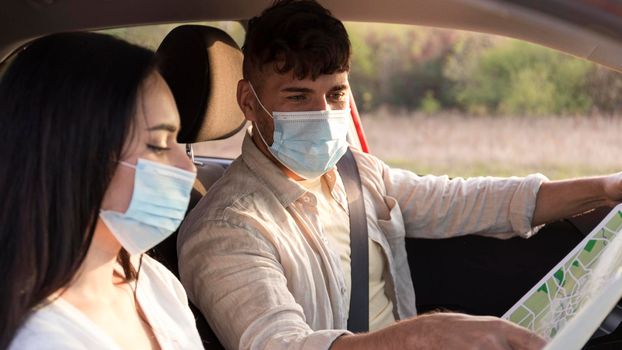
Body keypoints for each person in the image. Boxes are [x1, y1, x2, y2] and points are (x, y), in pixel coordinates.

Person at [177, 1, 622, 349]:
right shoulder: (226, 230)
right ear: (249, 102)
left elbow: (463, 201)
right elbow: (280, 344)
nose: (324, 114)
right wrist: (422, 337)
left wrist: (603, 188)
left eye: (336, 94)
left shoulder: (356, 173)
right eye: (297, 97)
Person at [0, 32, 203, 349]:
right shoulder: (43, 340)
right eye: (158, 145)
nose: (187, 168)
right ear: (75, 154)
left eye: (177, 142)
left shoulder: (153, 281)